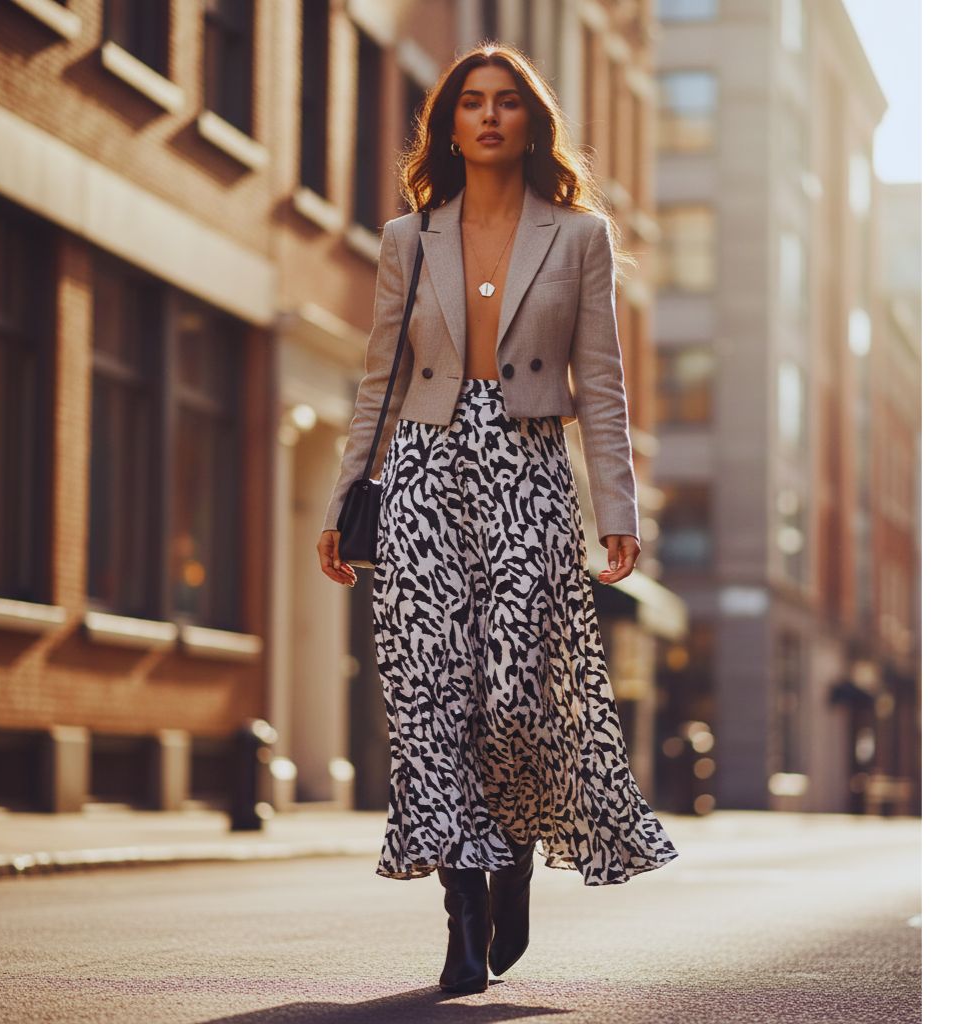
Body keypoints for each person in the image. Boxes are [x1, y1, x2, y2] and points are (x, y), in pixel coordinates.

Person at [317, 42, 679, 995]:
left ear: (532, 122)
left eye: (506, 102)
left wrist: (617, 510)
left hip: (526, 468)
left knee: (517, 695)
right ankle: (463, 912)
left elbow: (601, 385)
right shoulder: (410, 238)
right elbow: (378, 382)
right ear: (448, 124)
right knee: (433, 698)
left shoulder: (579, 236)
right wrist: (346, 497)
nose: (487, 116)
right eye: (469, 102)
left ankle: (512, 851)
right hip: (426, 471)